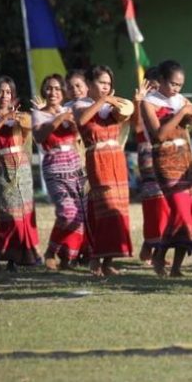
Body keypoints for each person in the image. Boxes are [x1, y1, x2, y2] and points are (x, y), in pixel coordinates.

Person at [142, 60, 192, 277]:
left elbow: (186, 126)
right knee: (180, 211)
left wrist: (190, 115)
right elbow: (159, 135)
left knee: (189, 213)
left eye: (180, 85)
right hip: (165, 159)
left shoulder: (180, 100)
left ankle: (175, 266)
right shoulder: (148, 103)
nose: (176, 89)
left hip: (185, 157)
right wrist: (181, 112)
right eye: (173, 84)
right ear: (161, 81)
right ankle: (159, 254)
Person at [74, 65, 133, 276]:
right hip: (97, 158)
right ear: (89, 84)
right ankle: (95, 259)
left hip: (116, 158)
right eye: (102, 83)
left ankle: (108, 261)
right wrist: (103, 101)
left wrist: (124, 104)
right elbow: (81, 121)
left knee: (116, 210)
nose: (106, 87)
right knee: (103, 207)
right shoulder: (81, 105)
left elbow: (127, 116)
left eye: (109, 83)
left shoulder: (112, 106)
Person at [0, 76, 39, 272]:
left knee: (24, 214)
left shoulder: (20, 117)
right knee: (9, 215)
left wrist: (32, 115)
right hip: (2, 166)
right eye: (0, 92)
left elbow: (30, 134)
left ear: (13, 95)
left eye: (8, 92)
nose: (4, 96)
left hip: (21, 167)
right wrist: (5, 118)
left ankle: (18, 259)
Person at [32, 74, 88, 271]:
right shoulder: (39, 114)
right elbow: (39, 137)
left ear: (63, 92)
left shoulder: (70, 110)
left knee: (81, 215)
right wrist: (59, 118)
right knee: (66, 213)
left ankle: (67, 256)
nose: (53, 92)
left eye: (57, 89)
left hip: (74, 162)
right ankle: (50, 251)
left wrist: (75, 122)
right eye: (49, 88)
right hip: (54, 164)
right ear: (43, 91)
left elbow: (81, 133)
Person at [132, 67, 169, 265]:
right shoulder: (142, 102)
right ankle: (151, 246)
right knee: (155, 201)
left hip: (168, 154)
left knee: (165, 203)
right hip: (148, 153)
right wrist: (139, 101)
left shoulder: (169, 102)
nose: (154, 90)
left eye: (157, 86)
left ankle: (155, 248)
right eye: (151, 86)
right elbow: (137, 128)